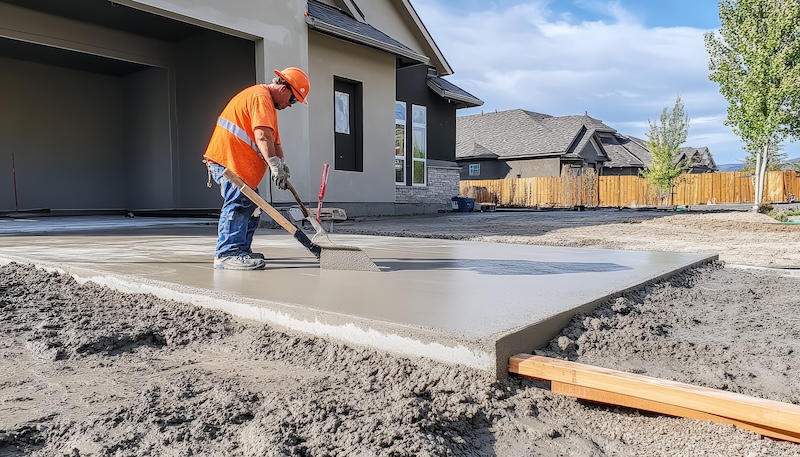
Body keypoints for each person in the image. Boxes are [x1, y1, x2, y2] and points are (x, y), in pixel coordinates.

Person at [203, 67, 310, 270]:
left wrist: (282, 165)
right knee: (240, 203)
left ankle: (241, 250)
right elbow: (262, 136)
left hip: (239, 165)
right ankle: (227, 253)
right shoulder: (260, 97)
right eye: (293, 99)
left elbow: (274, 141)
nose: (290, 105)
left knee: (252, 206)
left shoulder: (267, 103)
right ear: (284, 87)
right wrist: (274, 165)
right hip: (228, 161)